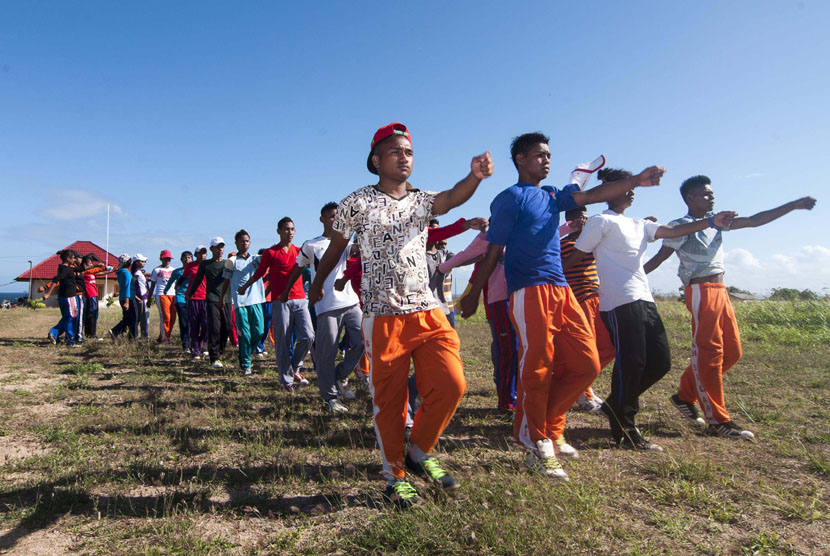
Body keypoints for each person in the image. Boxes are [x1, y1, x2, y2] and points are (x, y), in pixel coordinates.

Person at [459, 132, 667, 480]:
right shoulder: (510, 197)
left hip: (561, 289)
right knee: (537, 367)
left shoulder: (552, 195)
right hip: (528, 290)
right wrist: (473, 294)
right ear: (521, 160)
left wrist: (637, 181)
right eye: (540, 155)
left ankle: (551, 427)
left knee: (586, 363)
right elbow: (493, 247)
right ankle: (534, 441)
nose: (547, 160)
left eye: (550, 155)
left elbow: (591, 194)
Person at [308, 122, 494, 508]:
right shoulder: (355, 202)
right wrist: (318, 281)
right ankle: (394, 476)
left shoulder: (422, 201)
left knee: (452, 385)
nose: (404, 157)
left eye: (409, 152)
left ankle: (420, 451)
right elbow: (336, 246)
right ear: (376, 160)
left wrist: (473, 177)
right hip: (382, 315)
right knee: (390, 403)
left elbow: (451, 199)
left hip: (427, 310)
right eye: (396, 151)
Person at [564, 168, 736, 451]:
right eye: (624, 186)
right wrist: (548, 280)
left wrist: (709, 221)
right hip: (617, 301)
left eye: (633, 187)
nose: (631, 191)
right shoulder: (600, 221)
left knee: (660, 362)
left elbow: (672, 231)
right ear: (608, 192)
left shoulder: (639, 224)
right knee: (632, 363)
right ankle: (624, 427)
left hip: (644, 299)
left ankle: (616, 403)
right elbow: (575, 258)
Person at [644, 175, 817, 440]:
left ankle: (684, 396)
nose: (711, 197)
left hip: (721, 292)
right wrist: (629, 278)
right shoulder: (681, 226)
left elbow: (754, 221)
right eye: (705, 194)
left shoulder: (719, 223)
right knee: (709, 355)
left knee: (732, 352)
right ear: (690, 198)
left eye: (712, 193)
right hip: (701, 292)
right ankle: (718, 421)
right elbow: (659, 258)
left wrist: (792, 205)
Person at [283, 202, 364, 412]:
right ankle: (330, 397)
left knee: (363, 341)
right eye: (330, 216)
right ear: (322, 219)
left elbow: (361, 251)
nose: (334, 220)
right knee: (327, 352)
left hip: (351, 302)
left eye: (337, 217)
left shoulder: (346, 243)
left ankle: (339, 376)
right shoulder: (311, 245)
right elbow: (298, 268)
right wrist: (286, 291)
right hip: (326, 305)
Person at [239, 218, 313, 390]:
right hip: (280, 301)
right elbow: (259, 273)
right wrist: (244, 287)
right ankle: (286, 381)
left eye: (293, 229)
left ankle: (294, 368)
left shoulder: (300, 251)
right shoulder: (271, 253)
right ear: (278, 231)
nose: (290, 232)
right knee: (283, 341)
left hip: (301, 299)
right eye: (287, 229)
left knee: (308, 336)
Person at [559, 206, 616, 414]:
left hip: (599, 298)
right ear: (569, 221)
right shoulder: (565, 245)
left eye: (585, 218)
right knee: (586, 350)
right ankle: (583, 394)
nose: (583, 222)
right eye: (578, 219)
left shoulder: (594, 242)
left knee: (609, 346)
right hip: (580, 300)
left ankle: (582, 385)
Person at [221, 230, 266, 375]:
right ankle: (246, 364)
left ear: (250, 243)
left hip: (256, 301)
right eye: (241, 241)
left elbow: (269, 258)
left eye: (247, 241)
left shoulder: (256, 259)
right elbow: (226, 281)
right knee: (245, 335)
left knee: (259, 332)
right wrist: (222, 298)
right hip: (240, 303)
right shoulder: (231, 261)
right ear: (236, 243)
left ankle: (245, 353)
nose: (244, 243)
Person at [190, 238, 232, 368]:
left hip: (227, 299)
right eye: (217, 247)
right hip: (212, 299)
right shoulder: (206, 264)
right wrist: (190, 293)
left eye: (222, 247)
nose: (220, 250)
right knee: (214, 328)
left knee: (227, 327)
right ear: (211, 249)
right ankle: (214, 357)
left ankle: (220, 351)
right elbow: (197, 279)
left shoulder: (228, 263)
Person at [44, 249, 82, 346]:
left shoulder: (66, 268)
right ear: (68, 259)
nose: (74, 260)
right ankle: (69, 340)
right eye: (73, 258)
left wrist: (95, 266)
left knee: (67, 317)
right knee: (71, 317)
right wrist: (48, 293)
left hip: (65, 297)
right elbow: (56, 280)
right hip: (68, 297)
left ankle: (54, 333)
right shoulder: (65, 269)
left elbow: (81, 269)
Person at [181, 246, 208, 359]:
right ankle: (195, 349)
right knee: (194, 324)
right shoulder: (190, 266)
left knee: (206, 324)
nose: (202, 255)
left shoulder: (208, 265)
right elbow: (183, 277)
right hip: (193, 298)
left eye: (204, 253)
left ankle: (203, 344)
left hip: (205, 298)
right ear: (195, 255)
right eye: (199, 253)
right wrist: (177, 286)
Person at [165, 251, 193, 352]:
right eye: (185, 257)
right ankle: (185, 344)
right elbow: (170, 282)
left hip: (192, 298)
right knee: (183, 320)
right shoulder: (177, 271)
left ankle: (193, 343)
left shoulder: (195, 270)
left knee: (192, 321)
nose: (187, 259)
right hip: (180, 297)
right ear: (181, 260)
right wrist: (165, 291)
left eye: (189, 257)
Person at [148, 250, 177, 344]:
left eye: (169, 259)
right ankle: (166, 339)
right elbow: (152, 286)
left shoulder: (173, 270)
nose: (167, 260)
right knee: (165, 317)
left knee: (172, 317)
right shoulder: (156, 270)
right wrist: (149, 299)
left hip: (173, 294)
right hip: (161, 294)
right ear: (161, 259)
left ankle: (162, 336)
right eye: (165, 258)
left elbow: (177, 284)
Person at [80, 254, 110, 340]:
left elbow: (99, 272)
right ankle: (90, 333)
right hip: (89, 295)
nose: (91, 265)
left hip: (94, 294)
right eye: (89, 263)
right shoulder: (84, 272)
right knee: (90, 314)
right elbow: (92, 270)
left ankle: (92, 332)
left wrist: (110, 271)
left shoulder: (91, 272)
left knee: (94, 314)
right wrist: (97, 266)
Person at [109, 254, 137, 340]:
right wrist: (127, 301)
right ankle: (129, 336)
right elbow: (127, 287)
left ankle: (118, 332)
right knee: (133, 318)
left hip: (123, 297)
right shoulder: (126, 273)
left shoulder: (121, 272)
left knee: (127, 318)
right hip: (128, 298)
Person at [132, 254, 150, 340]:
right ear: (137, 262)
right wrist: (136, 296)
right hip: (141, 297)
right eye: (142, 261)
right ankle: (144, 335)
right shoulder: (136, 273)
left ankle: (144, 334)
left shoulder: (139, 272)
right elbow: (131, 285)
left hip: (144, 296)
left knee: (144, 317)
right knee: (143, 318)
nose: (144, 263)